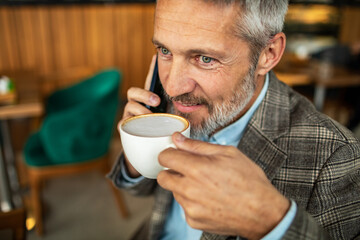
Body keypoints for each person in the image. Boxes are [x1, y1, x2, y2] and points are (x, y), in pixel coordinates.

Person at [108, 0, 360, 239]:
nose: (172, 88)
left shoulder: (337, 158)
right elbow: (141, 188)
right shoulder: (170, 104)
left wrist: (272, 223)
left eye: (205, 58)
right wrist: (136, 153)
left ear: (268, 54)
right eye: (165, 50)